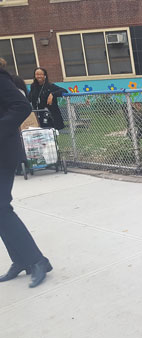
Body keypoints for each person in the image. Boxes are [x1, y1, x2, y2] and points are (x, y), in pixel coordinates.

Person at [0, 60, 53, 289]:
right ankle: (21, 260)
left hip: (3, 153)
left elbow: (22, 106)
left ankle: (37, 260)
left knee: (1, 208)